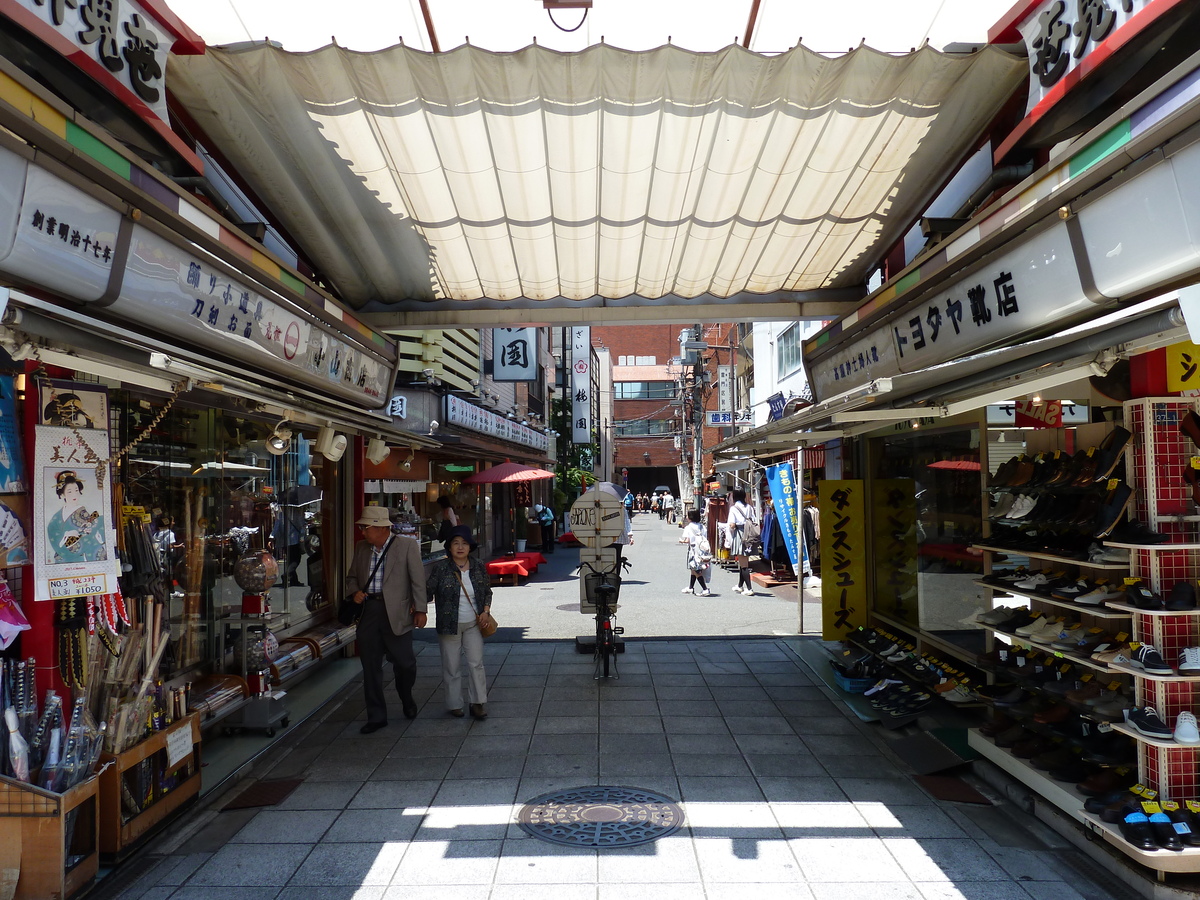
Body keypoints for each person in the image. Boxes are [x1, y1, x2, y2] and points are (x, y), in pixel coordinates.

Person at [345, 506, 428, 733]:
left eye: (366, 527)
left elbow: (417, 580)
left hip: (397, 612)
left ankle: (406, 696)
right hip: (369, 611)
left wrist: (420, 609)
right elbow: (351, 577)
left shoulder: (407, 546)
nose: (363, 532)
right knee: (370, 666)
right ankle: (376, 715)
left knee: (405, 663)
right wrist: (355, 592)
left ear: (381, 528)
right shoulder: (362, 548)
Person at [427, 525, 493, 719]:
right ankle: (455, 704)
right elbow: (427, 591)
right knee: (452, 666)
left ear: (470, 547)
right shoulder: (440, 568)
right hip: (449, 625)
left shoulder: (478, 565)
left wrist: (486, 612)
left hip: (474, 623)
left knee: (476, 663)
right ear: (449, 547)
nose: (460, 547)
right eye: (456, 543)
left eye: (464, 543)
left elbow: (487, 591)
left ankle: (478, 702)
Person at [47, 470, 106, 564]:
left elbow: (93, 531)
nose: (74, 494)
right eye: (70, 492)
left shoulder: (83, 512)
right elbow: (52, 531)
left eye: (76, 490)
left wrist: (92, 530)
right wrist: (66, 534)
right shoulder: (56, 517)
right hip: (63, 557)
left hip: (83, 555)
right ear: (62, 494)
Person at [726, 488, 758, 595]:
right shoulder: (749, 507)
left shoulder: (734, 508)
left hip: (740, 535)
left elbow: (731, 524)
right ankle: (740, 585)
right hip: (749, 535)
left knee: (744, 564)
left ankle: (749, 589)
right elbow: (753, 519)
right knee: (743, 561)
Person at [678, 508, 712, 595]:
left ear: (689, 517)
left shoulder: (688, 527)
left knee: (695, 569)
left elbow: (687, 540)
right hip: (701, 550)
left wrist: (682, 541)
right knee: (693, 568)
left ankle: (705, 589)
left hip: (693, 550)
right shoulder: (702, 527)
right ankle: (690, 587)